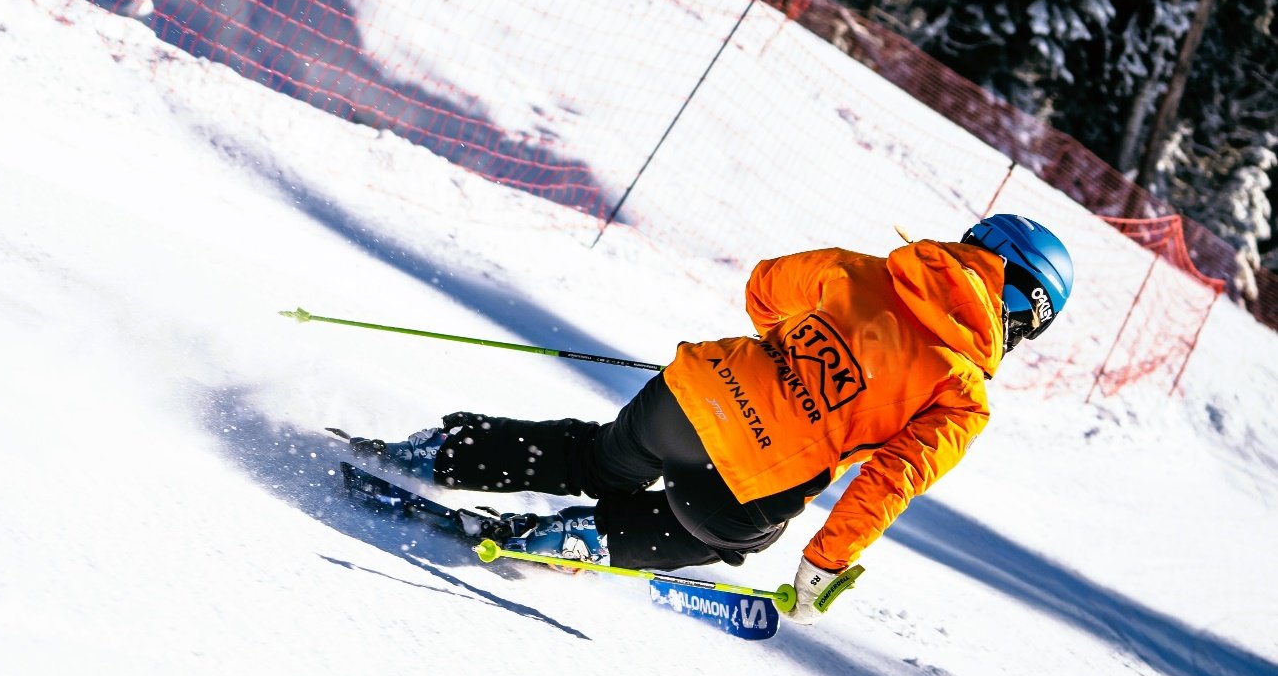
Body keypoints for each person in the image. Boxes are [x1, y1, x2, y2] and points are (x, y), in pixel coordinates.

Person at [351, 214, 1073, 623]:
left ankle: (444, 452)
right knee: (729, 542)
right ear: (1024, 317)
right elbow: (888, 482)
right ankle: (580, 538)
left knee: (598, 457)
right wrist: (823, 567)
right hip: (750, 485)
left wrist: (787, 348)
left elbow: (764, 289)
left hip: (696, 394)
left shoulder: (865, 269)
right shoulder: (964, 394)